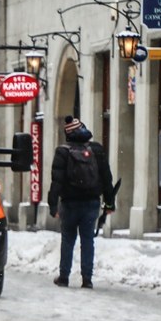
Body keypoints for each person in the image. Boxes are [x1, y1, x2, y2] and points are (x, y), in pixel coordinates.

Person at [48, 116, 115, 289]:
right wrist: (109, 203)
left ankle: (64, 277)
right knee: (87, 241)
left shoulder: (62, 152)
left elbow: (57, 181)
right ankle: (87, 279)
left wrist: (53, 204)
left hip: (69, 203)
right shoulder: (96, 150)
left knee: (68, 240)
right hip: (91, 202)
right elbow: (107, 178)